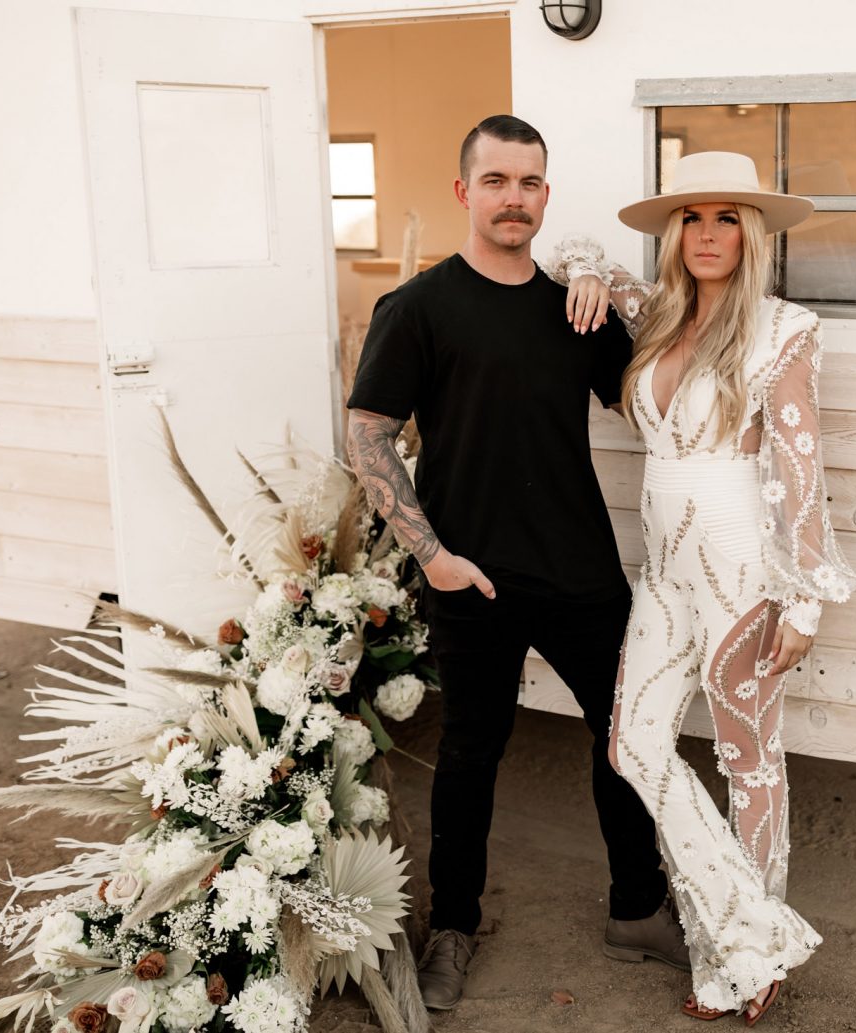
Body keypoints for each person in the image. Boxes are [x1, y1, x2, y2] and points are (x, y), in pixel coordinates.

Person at [344, 115, 687, 1012]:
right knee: (470, 755)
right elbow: (368, 436)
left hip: (579, 566)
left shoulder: (571, 308)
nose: (514, 198)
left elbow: (648, 394)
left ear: (546, 195)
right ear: (464, 191)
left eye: (530, 182)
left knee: (623, 739)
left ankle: (637, 908)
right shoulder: (417, 307)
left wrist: (603, 282)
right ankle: (452, 928)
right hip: (473, 573)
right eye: (496, 181)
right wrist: (433, 556)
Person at [550, 150, 856, 1025]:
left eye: (727, 217)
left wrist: (803, 597)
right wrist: (580, 272)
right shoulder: (652, 317)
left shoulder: (782, 329)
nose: (708, 233)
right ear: (674, 233)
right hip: (664, 572)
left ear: (752, 232)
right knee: (634, 746)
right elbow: (574, 247)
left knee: (748, 761)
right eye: (692, 217)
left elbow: (801, 466)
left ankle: (746, 958)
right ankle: (751, 923)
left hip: (742, 571)